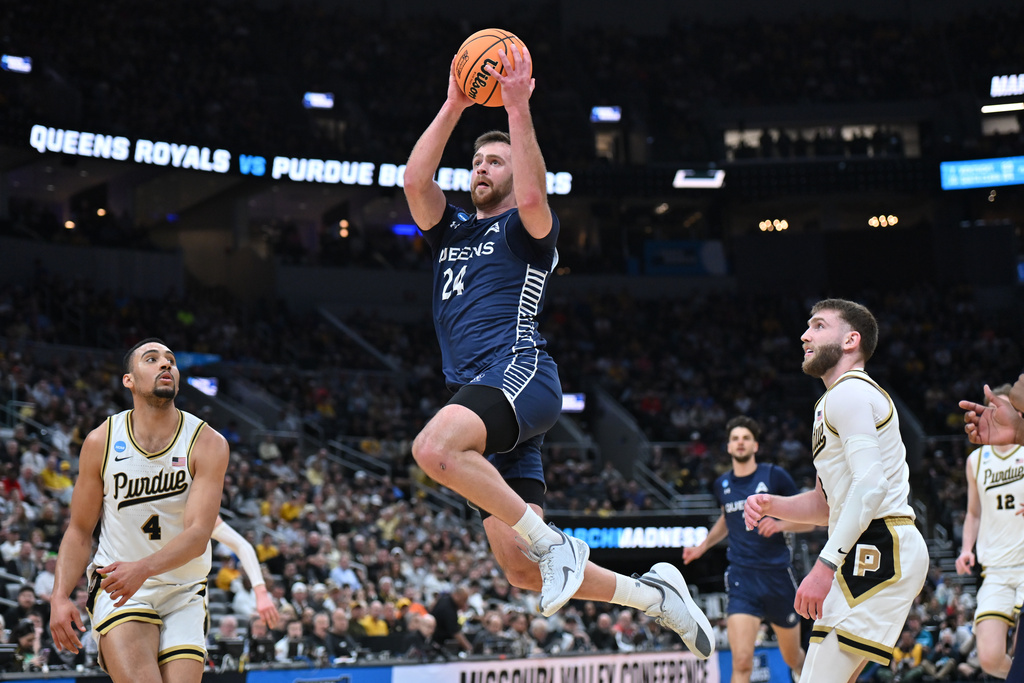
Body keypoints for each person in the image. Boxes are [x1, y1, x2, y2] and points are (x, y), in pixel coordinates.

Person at [403, 41, 713, 659]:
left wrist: (518, 109)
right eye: (478, 161)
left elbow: (536, 198)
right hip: (486, 397)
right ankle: (659, 598)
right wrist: (453, 101)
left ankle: (557, 546)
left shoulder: (525, 230)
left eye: (496, 161)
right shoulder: (452, 228)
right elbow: (415, 178)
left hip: (520, 372)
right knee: (520, 571)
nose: (482, 169)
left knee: (433, 449)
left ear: (517, 171)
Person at [744, 299, 929, 683]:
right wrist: (771, 504)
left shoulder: (849, 393)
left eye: (818, 326)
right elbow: (825, 506)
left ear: (851, 340)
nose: (804, 335)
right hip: (869, 544)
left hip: (880, 544)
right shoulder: (833, 401)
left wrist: (824, 565)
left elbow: (871, 484)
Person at [48, 338, 230, 683]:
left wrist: (143, 569)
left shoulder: (208, 442)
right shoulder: (101, 441)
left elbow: (198, 534)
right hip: (120, 586)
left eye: (171, 360)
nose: (166, 365)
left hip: (183, 588)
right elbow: (79, 530)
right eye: (152, 359)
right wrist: (59, 597)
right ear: (129, 380)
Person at [684, 415, 812, 682]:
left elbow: (811, 519)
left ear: (755, 446)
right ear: (729, 447)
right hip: (742, 577)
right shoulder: (722, 484)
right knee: (741, 662)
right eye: (735, 439)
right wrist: (703, 546)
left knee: (792, 658)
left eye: (745, 438)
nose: (740, 443)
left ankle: (805, 675)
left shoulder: (774, 475)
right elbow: (726, 518)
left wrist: (780, 524)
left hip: (777, 575)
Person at [953, 383, 1023, 679]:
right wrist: (966, 549)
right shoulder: (976, 461)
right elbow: (973, 512)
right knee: (990, 658)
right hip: (994, 568)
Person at [211, 516, 279, 628]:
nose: (228, 562)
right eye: (225, 560)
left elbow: (244, 546)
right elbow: (234, 585)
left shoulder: (237, 574)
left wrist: (261, 592)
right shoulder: (225, 573)